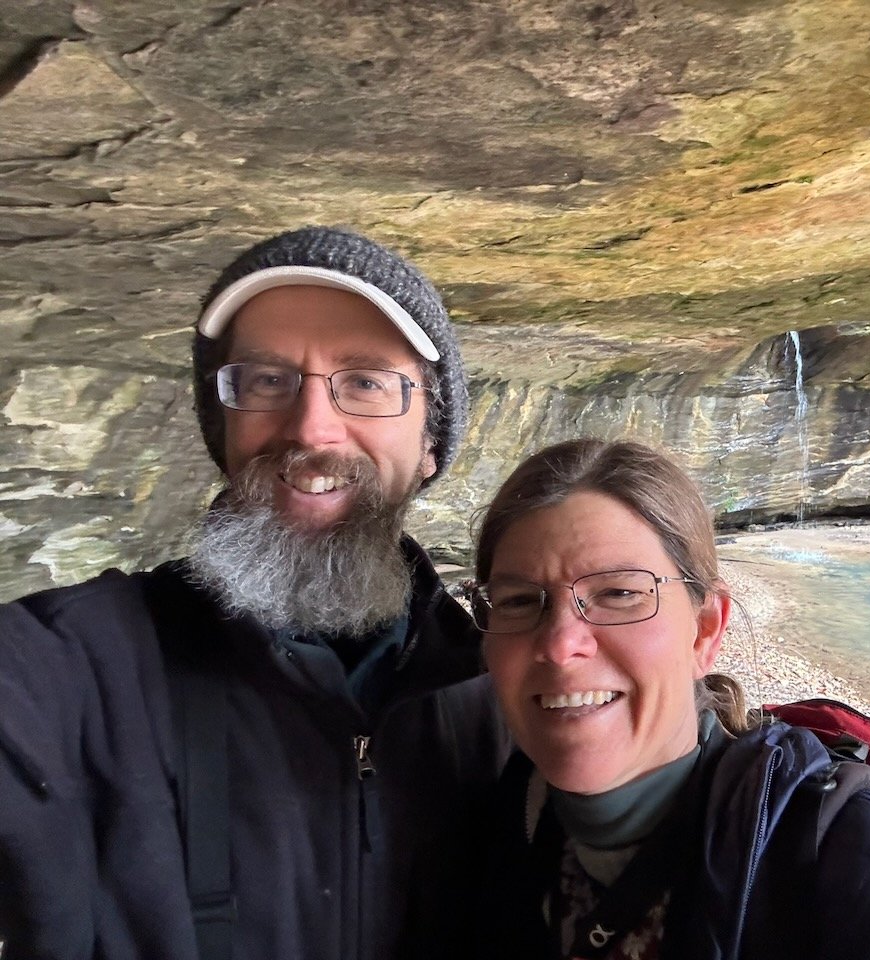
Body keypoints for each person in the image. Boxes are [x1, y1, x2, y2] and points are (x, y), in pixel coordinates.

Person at [0, 226, 508, 960]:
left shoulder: (498, 690)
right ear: (222, 428)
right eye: (267, 381)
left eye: (366, 383)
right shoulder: (78, 667)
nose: (312, 428)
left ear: (430, 443)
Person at [466, 438, 870, 960]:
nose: (560, 645)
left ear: (705, 631)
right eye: (519, 601)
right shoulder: (489, 824)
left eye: (618, 593)